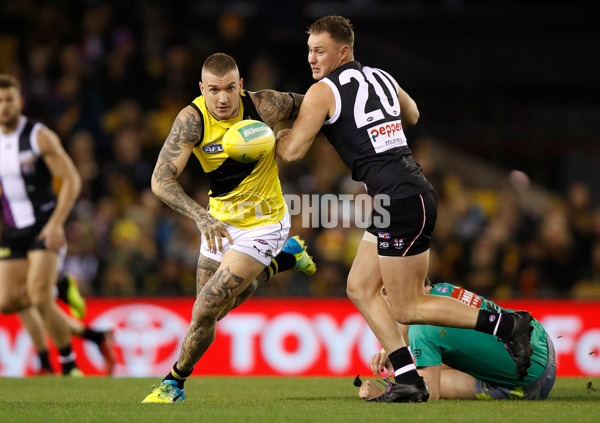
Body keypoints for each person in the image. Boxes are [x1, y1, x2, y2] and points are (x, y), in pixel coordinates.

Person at [275, 15, 533, 402]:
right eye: (309, 50)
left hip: (397, 199)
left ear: (343, 51)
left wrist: (276, 136)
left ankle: (508, 325)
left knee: (408, 305)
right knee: (360, 287)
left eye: (320, 50)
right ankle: (410, 378)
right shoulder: (382, 76)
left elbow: (293, 152)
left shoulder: (322, 91)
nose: (312, 58)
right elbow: (412, 115)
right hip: (405, 194)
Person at [142, 53, 315, 403]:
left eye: (230, 89)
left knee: (206, 308)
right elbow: (161, 180)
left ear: (241, 85)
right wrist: (200, 216)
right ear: (202, 89)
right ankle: (285, 260)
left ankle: (174, 382)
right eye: (215, 90)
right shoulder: (192, 120)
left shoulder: (263, 105)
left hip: (265, 223)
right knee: (210, 314)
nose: (223, 98)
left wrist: (295, 139)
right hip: (218, 223)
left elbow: (315, 105)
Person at [0, 74, 115, 376]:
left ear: (20, 101)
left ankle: (68, 366)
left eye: (9, 99)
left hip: (43, 226)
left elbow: (72, 179)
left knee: (37, 297)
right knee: (10, 301)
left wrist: (56, 224)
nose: (3, 106)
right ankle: (70, 301)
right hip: (13, 231)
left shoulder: (38, 135)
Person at [357, 279, 556, 401]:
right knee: (442, 355)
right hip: (540, 340)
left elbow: (428, 392)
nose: (383, 303)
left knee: (429, 381)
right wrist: (391, 352)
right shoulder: (444, 290)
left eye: (384, 293)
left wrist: (381, 393)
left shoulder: (421, 330)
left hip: (529, 381)